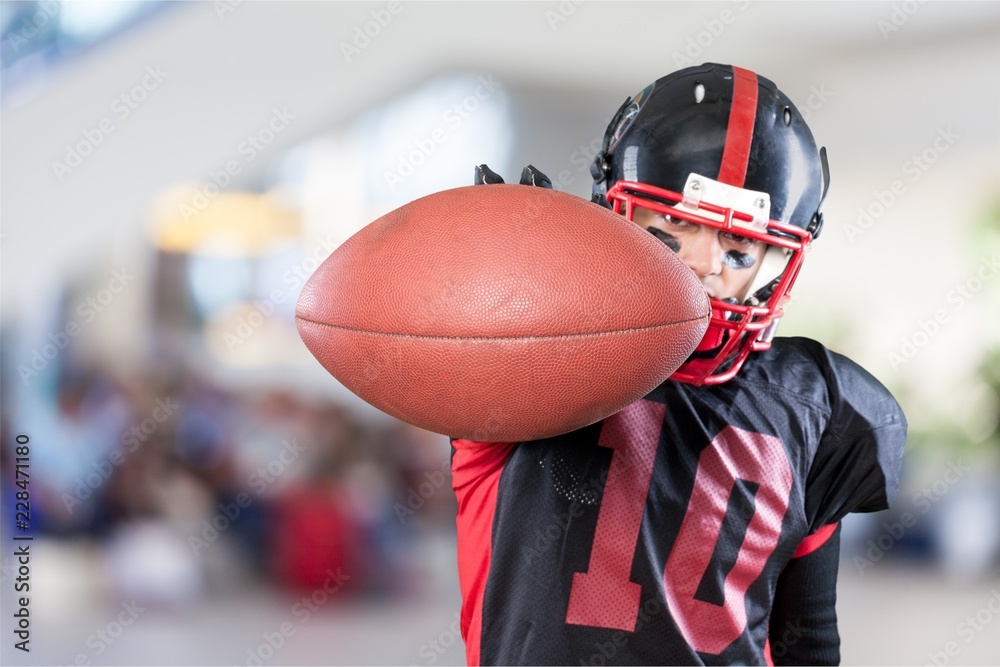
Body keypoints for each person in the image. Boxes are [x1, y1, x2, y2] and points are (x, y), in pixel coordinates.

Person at [453, 63, 906, 666]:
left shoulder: (815, 408)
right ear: (616, 211)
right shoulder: (537, 354)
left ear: (777, 259)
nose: (704, 264)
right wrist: (502, 292)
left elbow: (808, 634)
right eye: (673, 224)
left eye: (739, 248)